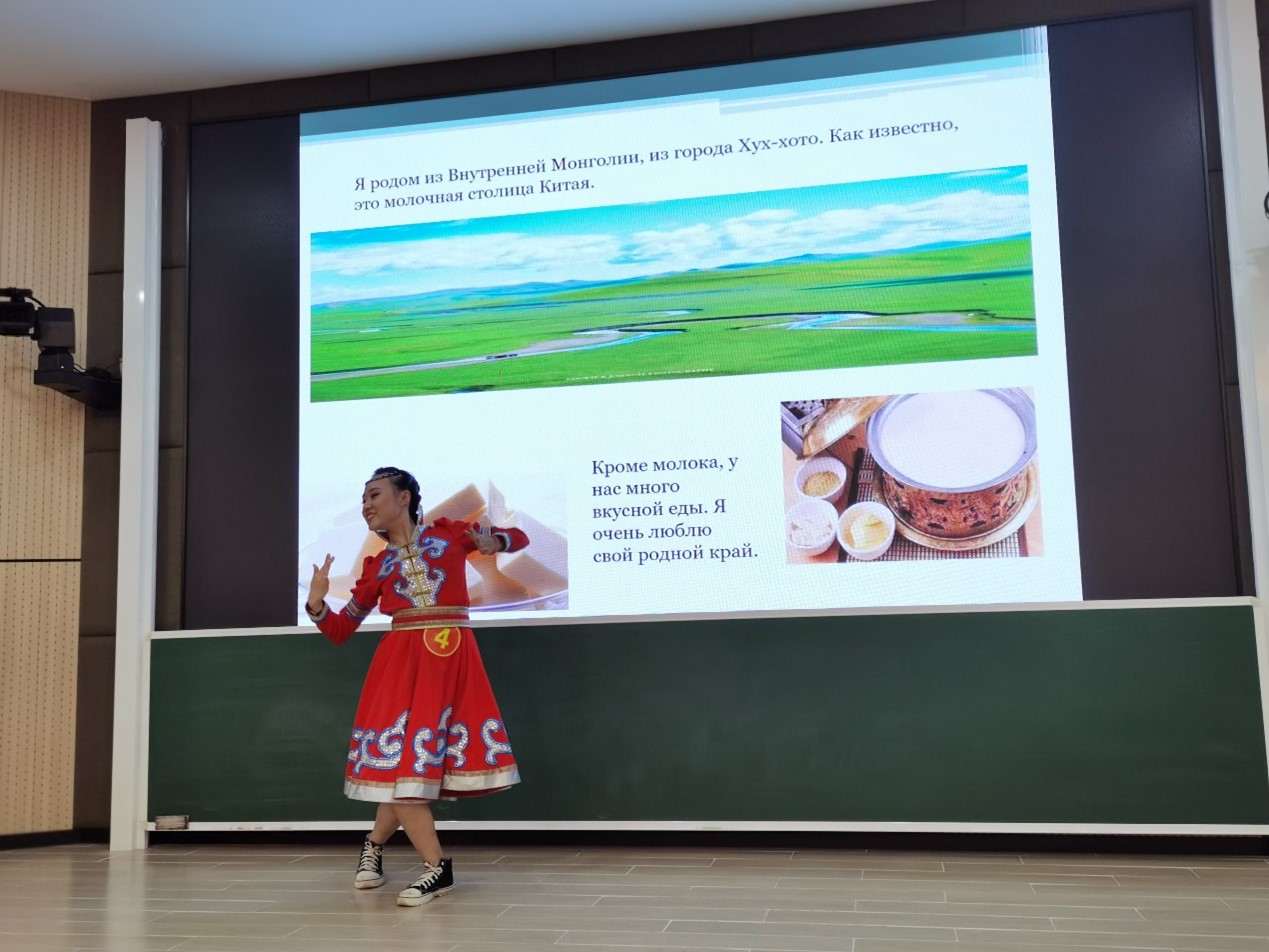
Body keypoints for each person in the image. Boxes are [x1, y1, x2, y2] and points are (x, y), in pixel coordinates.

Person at [306, 466, 527, 907]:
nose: (366, 505)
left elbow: (519, 537)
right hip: (400, 668)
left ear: (404, 497)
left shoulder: (449, 535)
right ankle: (432, 865)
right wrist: (316, 602)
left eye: (374, 495)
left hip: (450, 662)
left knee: (408, 771)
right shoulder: (378, 566)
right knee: (403, 772)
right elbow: (341, 629)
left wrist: (495, 542)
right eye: (363, 498)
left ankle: (382, 849)